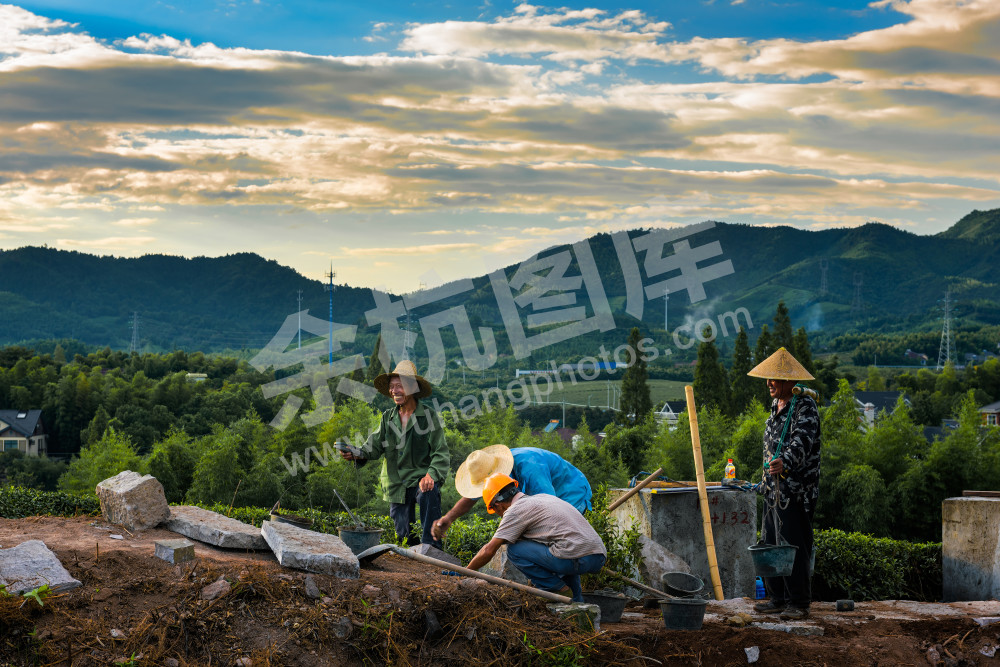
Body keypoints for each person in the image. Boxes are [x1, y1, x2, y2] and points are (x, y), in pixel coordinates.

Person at [339, 360, 449, 549]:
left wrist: (431, 475)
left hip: (421, 478)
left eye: (400, 386)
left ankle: (432, 548)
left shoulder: (429, 417)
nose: (394, 391)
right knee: (404, 538)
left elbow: (441, 452)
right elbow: (372, 447)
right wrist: (356, 453)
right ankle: (410, 561)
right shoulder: (387, 417)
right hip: (396, 481)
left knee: (428, 493)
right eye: (392, 387)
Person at [748, 347, 821, 621]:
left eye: (774, 379)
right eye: (768, 379)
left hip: (796, 491)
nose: (769, 383)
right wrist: (764, 480)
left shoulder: (805, 407)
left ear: (790, 382)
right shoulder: (775, 408)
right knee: (769, 543)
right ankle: (776, 598)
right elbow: (769, 452)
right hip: (772, 491)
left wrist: (785, 462)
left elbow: (802, 441)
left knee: (793, 545)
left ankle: (799, 602)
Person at [466, 473, 606, 602]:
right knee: (563, 549)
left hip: (575, 558)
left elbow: (488, 550)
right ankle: (576, 602)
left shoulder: (515, 510)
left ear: (497, 505)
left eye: (494, 511)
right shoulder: (543, 498)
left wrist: (466, 571)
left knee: (514, 550)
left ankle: (555, 588)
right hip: (598, 556)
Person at [432, 445, 592, 541]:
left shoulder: (529, 468)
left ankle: (561, 586)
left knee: (557, 534)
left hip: (570, 491)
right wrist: (449, 518)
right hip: (546, 498)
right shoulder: (491, 469)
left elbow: (549, 507)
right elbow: (472, 497)